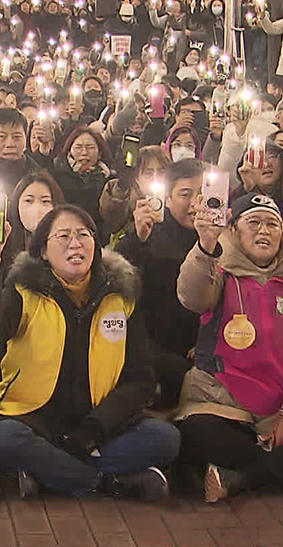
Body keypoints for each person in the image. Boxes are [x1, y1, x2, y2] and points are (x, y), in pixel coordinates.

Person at [0, 203, 179, 501]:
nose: (75, 243)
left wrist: (94, 429)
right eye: (63, 236)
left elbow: (140, 381)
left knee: (165, 439)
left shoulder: (120, 297)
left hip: (99, 425)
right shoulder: (22, 292)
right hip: (34, 419)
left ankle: (49, 472)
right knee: (4, 439)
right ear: (42, 251)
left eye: (83, 234)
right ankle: (109, 483)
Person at [175, 194, 283, 503]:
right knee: (196, 431)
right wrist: (205, 246)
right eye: (253, 222)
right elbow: (192, 297)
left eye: (272, 224)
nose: (264, 231)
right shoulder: (217, 275)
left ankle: (241, 478)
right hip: (223, 405)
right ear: (234, 230)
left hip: (282, 407)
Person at [115, 158, 203, 408]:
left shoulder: (222, 238)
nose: (196, 203)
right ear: (168, 197)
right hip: (155, 344)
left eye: (203, 194)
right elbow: (122, 281)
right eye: (186, 194)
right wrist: (138, 240)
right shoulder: (151, 234)